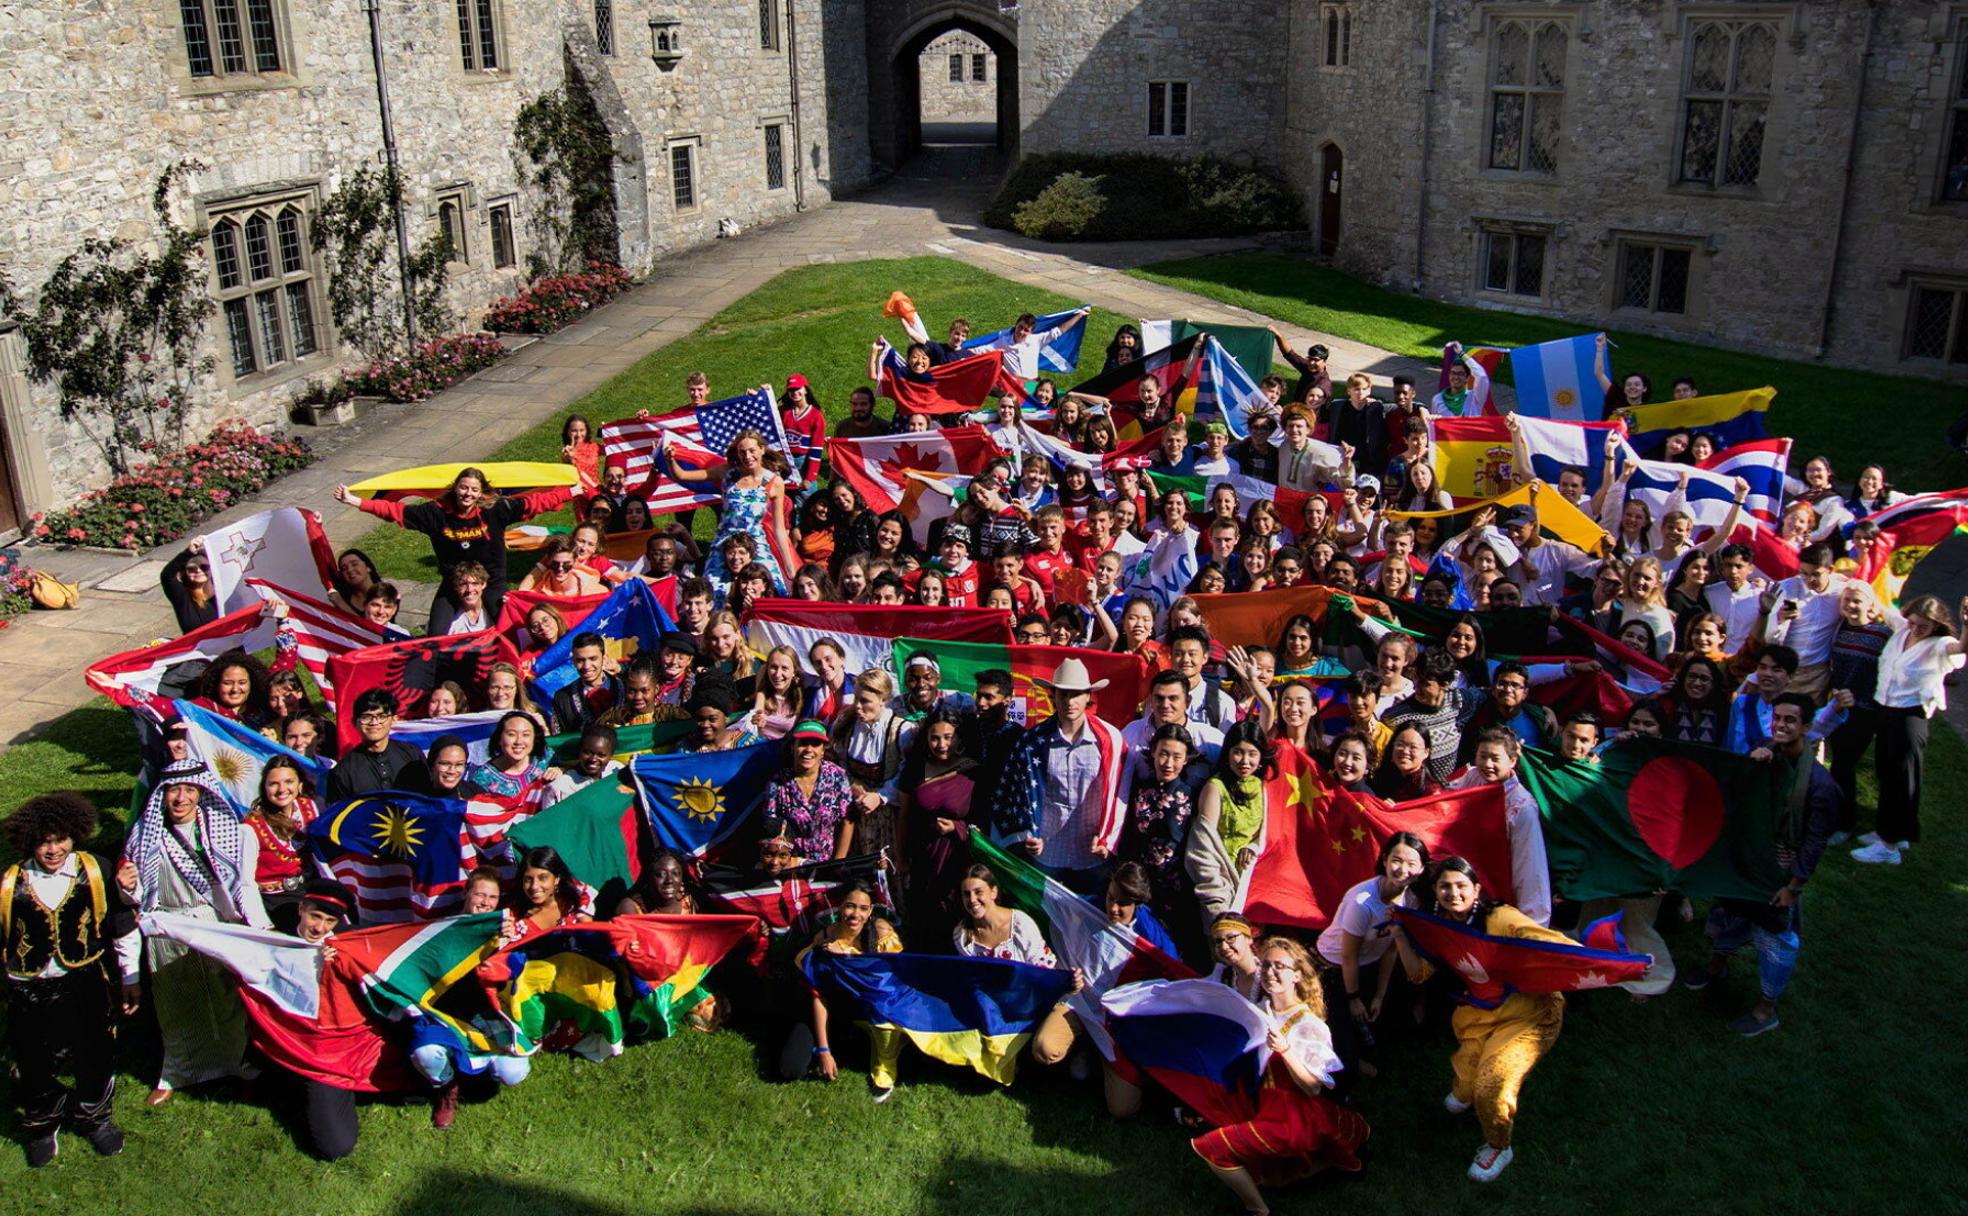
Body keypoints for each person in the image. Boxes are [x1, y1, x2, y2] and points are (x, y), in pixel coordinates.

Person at [1389, 856, 1572, 1183]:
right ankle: (1467, 1093)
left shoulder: (1500, 917)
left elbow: (1552, 944)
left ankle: (1499, 1146)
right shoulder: (1438, 928)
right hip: (1478, 1016)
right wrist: (1401, 938)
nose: (1453, 893)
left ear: (1476, 889)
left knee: (1491, 1086)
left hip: (1529, 1014)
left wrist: (1609, 963)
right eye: (1445, 886)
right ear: (1435, 891)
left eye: (1461, 886)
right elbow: (1418, 975)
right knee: (1464, 1087)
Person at [117, 760, 270, 1106]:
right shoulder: (144, 835)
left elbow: (242, 885)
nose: (181, 798)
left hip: (213, 923)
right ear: (163, 794)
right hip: (167, 927)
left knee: (228, 1000)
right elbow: (135, 899)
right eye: (174, 790)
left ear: (201, 793)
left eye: (189, 790)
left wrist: (260, 927)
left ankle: (239, 1067)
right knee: (175, 1003)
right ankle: (177, 1072)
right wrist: (125, 887)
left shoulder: (221, 830)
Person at [1685, 695, 1838, 1037]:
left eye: (1790, 720)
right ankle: (1717, 966)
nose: (1781, 725)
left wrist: (1793, 887)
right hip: (1745, 861)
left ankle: (1766, 1009)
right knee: (1727, 914)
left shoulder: (1819, 784)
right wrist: (1752, 766)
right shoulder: (1766, 755)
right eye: (1777, 718)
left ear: (1807, 727)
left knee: (1775, 939)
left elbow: (1814, 842)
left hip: (1777, 876)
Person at [2, 792, 135, 1166]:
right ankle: (43, 1122)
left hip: (84, 980)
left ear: (75, 835)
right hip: (27, 986)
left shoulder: (95, 871)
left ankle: (95, 1117)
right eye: (44, 842)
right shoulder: (10, 883)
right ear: (29, 842)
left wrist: (130, 978)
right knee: (32, 1058)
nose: (53, 849)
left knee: (95, 1053)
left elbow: (120, 925)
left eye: (61, 839)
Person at [1192, 937, 1369, 1214]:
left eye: (1280, 966)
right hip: (1265, 1105)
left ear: (1296, 975)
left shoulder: (1308, 1024)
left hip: (1292, 1117)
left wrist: (1285, 1050)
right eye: (1266, 965)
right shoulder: (1263, 1010)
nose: (1270, 972)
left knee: (1213, 1148)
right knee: (1274, 1181)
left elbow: (1313, 1088)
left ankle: (1258, 1210)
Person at [336, 467, 572, 633]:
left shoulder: (496, 510)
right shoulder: (435, 513)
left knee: (509, 626)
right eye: (463, 488)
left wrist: (571, 492)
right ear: (455, 488)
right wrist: (355, 501)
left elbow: (535, 503)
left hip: (492, 580)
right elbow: (394, 511)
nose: (468, 494)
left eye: (474, 490)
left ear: (481, 492)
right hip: (453, 583)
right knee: (436, 632)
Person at [993, 658, 1128, 894]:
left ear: (1088, 696)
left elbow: (1121, 793)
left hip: (1092, 853)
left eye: (1076, 694)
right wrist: (1027, 833)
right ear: (1052, 695)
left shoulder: (1110, 740)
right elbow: (1018, 793)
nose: (1069, 701)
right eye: (1063, 694)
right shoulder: (1032, 742)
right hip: (1048, 852)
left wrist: (1108, 836)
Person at [1852, 594, 1968, 863]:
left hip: (1910, 715)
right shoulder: (1902, 629)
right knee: (1885, 771)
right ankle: (1894, 831)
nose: (1915, 629)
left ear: (1936, 625)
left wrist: (1966, 624)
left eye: (1923, 626)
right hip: (1886, 710)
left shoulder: (1939, 645)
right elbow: (1880, 604)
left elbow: (1961, 647)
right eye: (1913, 623)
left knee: (1902, 778)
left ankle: (1889, 847)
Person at [1316, 833, 1428, 1085]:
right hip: (1335, 968)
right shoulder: (1362, 901)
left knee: (1390, 1019)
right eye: (1397, 860)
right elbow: (1349, 955)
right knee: (1342, 1046)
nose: (1403, 869)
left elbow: (1391, 949)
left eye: (1412, 863)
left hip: (1371, 963)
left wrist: (1379, 993)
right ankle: (1353, 1060)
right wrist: (1353, 998)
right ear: (1385, 860)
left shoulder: (1411, 900)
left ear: (1421, 869)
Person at [787, 882, 905, 1101]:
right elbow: (818, 995)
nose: (855, 914)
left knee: (883, 1013)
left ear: (870, 911)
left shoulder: (882, 933)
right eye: (850, 906)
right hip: (835, 1008)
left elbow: (888, 984)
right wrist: (824, 1050)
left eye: (863, 908)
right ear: (840, 906)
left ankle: (885, 1068)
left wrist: (847, 954)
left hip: (876, 1007)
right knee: (792, 1069)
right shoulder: (825, 937)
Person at [667, 428, 790, 599]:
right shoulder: (728, 473)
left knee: (774, 589)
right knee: (713, 590)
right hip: (725, 542)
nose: (747, 456)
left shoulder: (774, 482)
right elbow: (682, 475)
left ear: (762, 450)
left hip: (756, 543)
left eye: (752, 451)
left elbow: (780, 529)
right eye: (742, 452)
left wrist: (788, 566)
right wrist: (671, 460)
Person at [896, 708, 977, 936]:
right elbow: (904, 817)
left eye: (948, 737)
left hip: (957, 856)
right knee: (922, 917)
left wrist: (957, 827)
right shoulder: (915, 770)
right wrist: (901, 859)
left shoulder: (973, 772)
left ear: (958, 737)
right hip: (923, 856)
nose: (941, 745)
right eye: (935, 738)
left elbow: (982, 820)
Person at [1187, 720, 1272, 924]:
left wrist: (1254, 847)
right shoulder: (1216, 787)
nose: (1245, 761)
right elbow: (1201, 847)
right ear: (1227, 753)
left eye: (1252, 754)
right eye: (1238, 752)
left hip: (1253, 889)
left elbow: (1271, 834)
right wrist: (1216, 900)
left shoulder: (1264, 788)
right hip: (1221, 887)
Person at [766, 721, 855, 862]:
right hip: (791, 862)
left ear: (823, 750)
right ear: (793, 747)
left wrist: (839, 862)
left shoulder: (837, 776)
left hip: (828, 862)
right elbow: (771, 828)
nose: (808, 749)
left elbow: (848, 820)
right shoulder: (778, 782)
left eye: (815, 744)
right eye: (803, 743)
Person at [246, 756, 320, 921]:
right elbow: (245, 880)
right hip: (273, 901)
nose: (282, 789)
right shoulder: (251, 825)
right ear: (264, 788)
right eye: (273, 784)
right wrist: (260, 921)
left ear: (300, 785)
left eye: (289, 782)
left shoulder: (308, 807)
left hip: (307, 890)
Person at [326, 690, 427, 800]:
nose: (374, 722)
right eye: (366, 717)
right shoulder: (344, 770)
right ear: (355, 722)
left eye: (381, 716)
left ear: (394, 719)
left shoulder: (412, 753)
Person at [952, 865, 1056, 964]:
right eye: (966, 894)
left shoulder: (1021, 924)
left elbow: (1043, 968)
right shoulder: (962, 935)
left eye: (978, 892)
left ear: (993, 892)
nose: (972, 899)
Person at [550, 631, 623, 734]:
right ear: (573, 661)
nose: (587, 666)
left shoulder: (626, 687)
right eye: (580, 660)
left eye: (593, 659)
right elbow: (559, 738)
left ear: (604, 658)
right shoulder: (562, 698)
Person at [541, 725, 623, 808]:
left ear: (610, 756)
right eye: (587, 752)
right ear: (579, 751)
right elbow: (548, 815)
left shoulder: (619, 771)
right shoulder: (559, 786)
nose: (593, 759)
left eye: (601, 755)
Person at [160, 539, 219, 633]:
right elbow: (167, 576)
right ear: (184, 573)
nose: (198, 571)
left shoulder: (221, 591)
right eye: (192, 569)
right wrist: (188, 552)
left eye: (204, 567)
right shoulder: (183, 597)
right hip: (199, 642)